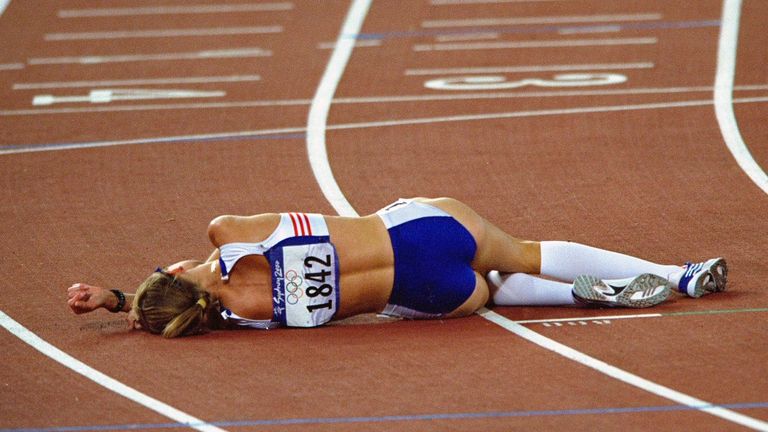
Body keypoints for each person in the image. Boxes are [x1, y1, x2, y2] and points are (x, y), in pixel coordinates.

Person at [67, 197, 727, 338]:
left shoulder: (243, 315)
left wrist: (125, 304)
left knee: (491, 290)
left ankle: (579, 298)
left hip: (436, 294)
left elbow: (186, 303)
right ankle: (679, 273)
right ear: (181, 269)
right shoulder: (227, 233)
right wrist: (127, 292)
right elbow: (199, 270)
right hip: (422, 228)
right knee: (524, 251)